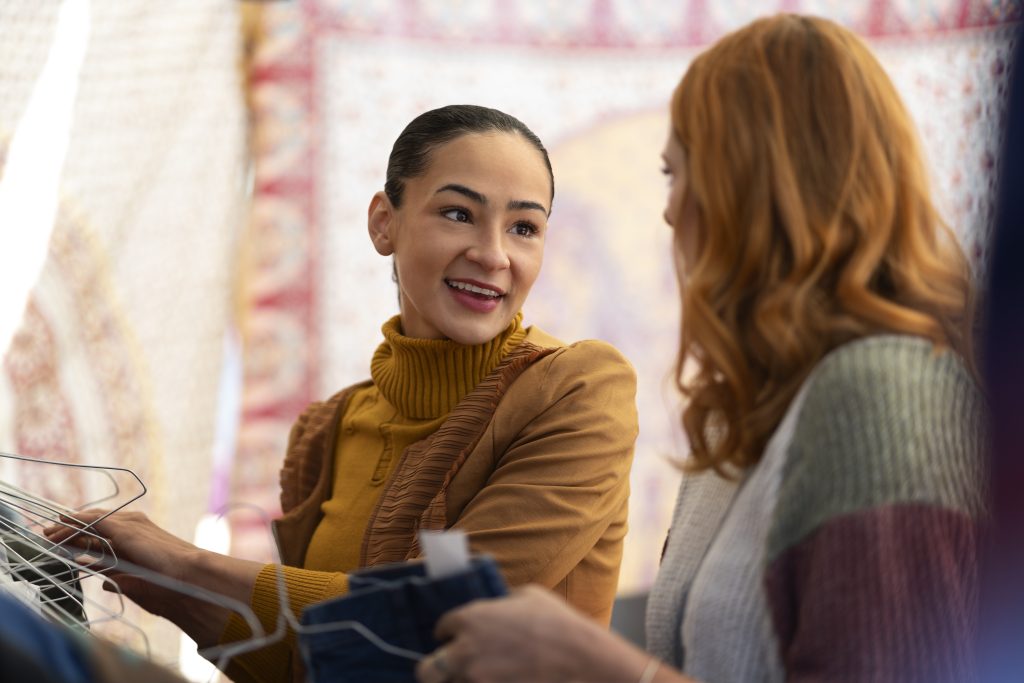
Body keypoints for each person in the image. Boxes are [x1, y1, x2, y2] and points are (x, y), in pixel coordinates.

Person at [416, 15, 986, 683]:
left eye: (677, 172)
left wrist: (607, 669)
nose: (668, 210)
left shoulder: (883, 391)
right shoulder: (734, 419)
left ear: (752, 182)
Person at [45, 105, 639, 682]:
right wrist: (170, 591)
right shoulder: (328, 431)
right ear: (385, 221)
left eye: (523, 228)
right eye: (459, 214)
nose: (492, 254)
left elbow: (450, 615)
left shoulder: (580, 389)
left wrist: (190, 565)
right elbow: (315, 662)